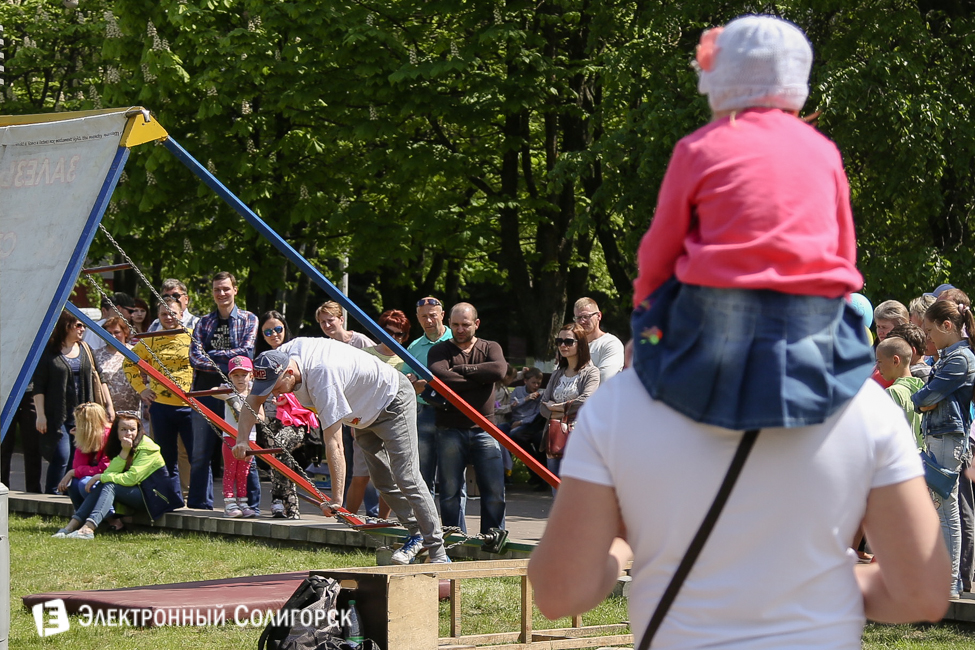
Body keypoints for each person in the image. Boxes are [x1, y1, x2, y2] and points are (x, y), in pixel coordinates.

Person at [529, 17, 947, 646]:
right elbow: (921, 591)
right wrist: (820, 589)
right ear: (798, 85)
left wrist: (651, 327)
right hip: (810, 334)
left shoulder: (622, 407)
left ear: (719, 81)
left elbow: (559, 591)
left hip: (700, 341)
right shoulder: (869, 408)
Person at [629, 15, 873, 433]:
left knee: (652, 327)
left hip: (715, 322)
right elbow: (844, 253)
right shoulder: (824, 151)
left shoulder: (697, 149)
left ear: (720, 84)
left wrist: (645, 321)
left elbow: (659, 253)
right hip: (811, 326)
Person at [232, 339, 449, 565]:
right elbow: (254, 399)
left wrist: (336, 499)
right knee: (382, 480)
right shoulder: (278, 358)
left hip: (392, 400)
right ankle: (417, 534)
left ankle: (438, 552)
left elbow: (335, 444)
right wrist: (241, 440)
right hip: (362, 412)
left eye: (275, 388)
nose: (274, 395)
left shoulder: (323, 378)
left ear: (288, 372)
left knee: (407, 476)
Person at [912, 298, 975, 599]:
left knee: (946, 510)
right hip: (941, 438)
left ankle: (948, 583)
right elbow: (924, 399)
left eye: (929, 331)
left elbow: (924, 397)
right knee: (942, 509)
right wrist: (925, 400)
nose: (928, 338)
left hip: (948, 439)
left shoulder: (959, 360)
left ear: (946, 326)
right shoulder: (950, 358)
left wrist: (924, 399)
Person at [428, 303, 507, 534]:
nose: (460, 329)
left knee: (494, 490)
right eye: (455, 325)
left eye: (465, 324)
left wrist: (462, 370)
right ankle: (454, 537)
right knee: (450, 490)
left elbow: (499, 371)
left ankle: (492, 537)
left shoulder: (490, 347)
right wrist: (480, 378)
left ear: (476, 323)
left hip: (486, 428)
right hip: (449, 428)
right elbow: (439, 376)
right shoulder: (439, 350)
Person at [187, 271, 259, 510]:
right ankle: (199, 504)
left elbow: (246, 353)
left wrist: (214, 356)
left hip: (238, 392)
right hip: (207, 391)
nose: (222, 293)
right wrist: (229, 362)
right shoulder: (204, 322)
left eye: (226, 289)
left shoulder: (249, 319)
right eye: (217, 289)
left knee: (245, 448)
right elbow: (194, 357)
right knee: (201, 451)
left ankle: (250, 503)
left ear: (235, 290)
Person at [52, 412, 182, 539]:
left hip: (153, 498)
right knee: (103, 482)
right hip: (133, 493)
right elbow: (110, 472)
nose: (129, 433)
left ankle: (87, 529)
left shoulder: (148, 448)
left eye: (132, 429)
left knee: (110, 484)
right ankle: (70, 527)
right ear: (116, 431)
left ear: (139, 430)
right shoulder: (119, 446)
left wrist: (100, 477)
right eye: (123, 429)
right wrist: (124, 452)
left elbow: (131, 478)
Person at [33, 310, 114, 494]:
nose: (82, 329)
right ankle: (52, 493)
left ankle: (72, 494)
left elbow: (100, 378)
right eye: (78, 325)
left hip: (85, 415)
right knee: (62, 455)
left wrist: (109, 405)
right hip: (58, 414)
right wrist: (40, 415)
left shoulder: (85, 349)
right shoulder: (49, 352)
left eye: (84, 325)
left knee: (79, 458)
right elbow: (39, 386)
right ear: (65, 325)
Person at [255, 310, 321, 519]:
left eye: (278, 329)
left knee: (281, 447)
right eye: (267, 332)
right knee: (278, 456)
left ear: (285, 329)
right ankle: (280, 502)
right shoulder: (260, 360)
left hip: (297, 419)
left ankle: (287, 504)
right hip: (270, 417)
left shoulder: (296, 355)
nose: (274, 334)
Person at [125, 298, 194, 497]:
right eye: (164, 314)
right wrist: (141, 389)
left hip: (191, 405)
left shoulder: (192, 336)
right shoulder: (150, 339)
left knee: (195, 456)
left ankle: (199, 500)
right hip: (162, 406)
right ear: (158, 316)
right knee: (166, 457)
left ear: (182, 314)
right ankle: (172, 498)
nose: (168, 318)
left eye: (173, 313)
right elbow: (129, 363)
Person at [539, 323, 599, 482]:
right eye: (559, 341)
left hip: (580, 438)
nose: (563, 345)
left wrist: (558, 408)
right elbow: (543, 406)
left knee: (578, 490)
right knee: (556, 489)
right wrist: (565, 409)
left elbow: (586, 401)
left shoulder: (591, 372)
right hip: (554, 438)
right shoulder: (557, 373)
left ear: (581, 344)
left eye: (568, 341)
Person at [405, 297, 453, 494]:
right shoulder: (414, 347)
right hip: (423, 411)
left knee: (453, 476)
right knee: (423, 473)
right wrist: (410, 380)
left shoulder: (456, 341)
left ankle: (454, 525)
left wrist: (427, 383)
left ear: (442, 315)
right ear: (418, 318)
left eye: (433, 316)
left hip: (452, 412)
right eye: (424, 316)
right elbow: (405, 381)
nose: (429, 320)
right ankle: (427, 523)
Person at [55, 403, 122, 531]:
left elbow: (104, 469)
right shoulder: (90, 436)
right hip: (94, 477)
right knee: (73, 483)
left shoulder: (109, 437)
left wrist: (73, 472)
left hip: (112, 481)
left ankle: (112, 518)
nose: (76, 425)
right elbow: (78, 466)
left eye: (79, 422)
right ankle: (83, 518)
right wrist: (80, 441)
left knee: (84, 483)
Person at [217, 356, 258, 518]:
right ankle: (229, 501)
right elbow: (214, 392)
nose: (240, 379)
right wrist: (231, 398)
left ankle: (243, 501)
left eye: (244, 375)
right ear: (230, 377)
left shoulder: (255, 394)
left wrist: (248, 415)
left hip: (250, 437)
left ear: (251, 376)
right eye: (236, 375)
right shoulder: (227, 389)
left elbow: (261, 417)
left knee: (244, 471)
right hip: (230, 436)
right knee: (230, 470)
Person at [876, 337, 924, 449]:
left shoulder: (892, 392)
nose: (878, 367)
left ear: (895, 360)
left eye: (880, 362)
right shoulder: (922, 386)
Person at [93, 317, 141, 414]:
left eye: (117, 332)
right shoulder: (96, 355)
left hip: (132, 410)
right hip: (105, 410)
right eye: (109, 333)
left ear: (125, 333)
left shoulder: (136, 353)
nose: (113, 336)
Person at [573, 297, 624, 384]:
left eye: (586, 316)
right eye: (578, 318)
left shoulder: (611, 343)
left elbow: (604, 379)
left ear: (599, 316)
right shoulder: (571, 344)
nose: (582, 321)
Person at [0, 388, 41, 493]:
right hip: (7, 392)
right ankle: (2, 487)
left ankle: (33, 490)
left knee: (32, 446)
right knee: (4, 446)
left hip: (31, 392)